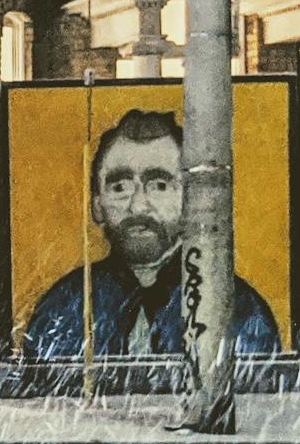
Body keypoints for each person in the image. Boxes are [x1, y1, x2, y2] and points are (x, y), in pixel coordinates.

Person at [24, 107, 279, 362]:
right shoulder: (64, 306)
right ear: (97, 204)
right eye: (120, 187)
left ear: (189, 200)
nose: (138, 205)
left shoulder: (235, 306)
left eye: (159, 185)